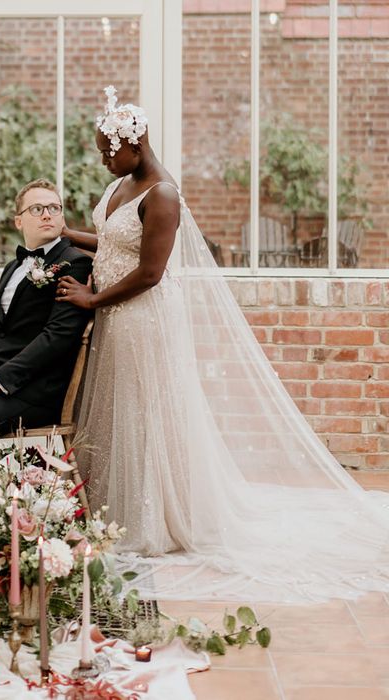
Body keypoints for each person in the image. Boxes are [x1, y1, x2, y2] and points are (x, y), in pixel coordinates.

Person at [55, 86, 389, 602]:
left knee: (146, 414)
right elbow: (118, 242)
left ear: (136, 145)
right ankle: (117, 507)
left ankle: (155, 517)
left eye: (108, 150)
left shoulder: (162, 194)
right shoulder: (123, 185)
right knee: (123, 411)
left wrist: (90, 301)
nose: (102, 159)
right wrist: (69, 234)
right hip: (117, 322)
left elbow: (149, 271)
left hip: (141, 319)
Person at [0, 178, 92, 443]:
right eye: (37, 209)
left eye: (54, 208)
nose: (47, 215)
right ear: (19, 221)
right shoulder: (11, 268)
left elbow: (57, 338)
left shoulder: (75, 264)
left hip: (34, 391)